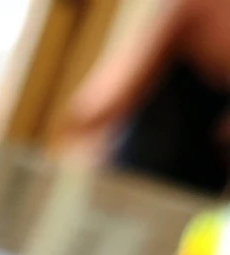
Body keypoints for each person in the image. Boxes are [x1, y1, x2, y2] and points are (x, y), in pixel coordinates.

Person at [60, 0, 230, 193]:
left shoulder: (200, 6)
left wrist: (78, 126)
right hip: (198, 195)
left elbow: (101, 102)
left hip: (139, 178)